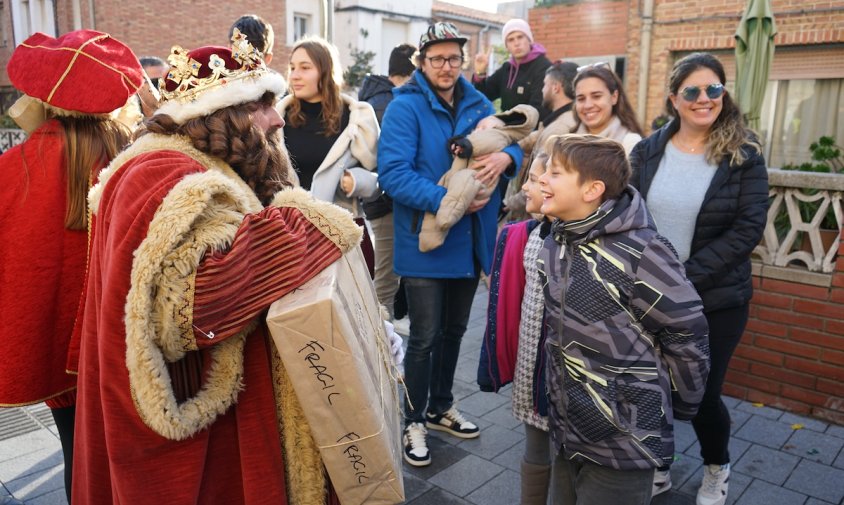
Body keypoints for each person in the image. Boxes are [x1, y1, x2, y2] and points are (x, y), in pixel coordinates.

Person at [71, 36, 395, 504]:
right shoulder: (164, 172)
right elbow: (188, 310)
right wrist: (304, 220)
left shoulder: (195, 160)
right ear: (219, 112)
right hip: (199, 433)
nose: (278, 116)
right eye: (263, 103)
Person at [0, 29, 144, 504]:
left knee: (76, 456)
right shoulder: (130, 162)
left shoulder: (14, 167)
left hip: (53, 352)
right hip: (122, 350)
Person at [378, 21, 523, 467]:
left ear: (463, 61)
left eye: (453, 58)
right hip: (426, 241)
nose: (446, 66)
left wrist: (508, 158)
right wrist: (453, 199)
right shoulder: (405, 108)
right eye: (437, 58)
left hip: (471, 241)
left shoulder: (480, 102)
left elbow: (513, 136)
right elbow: (393, 174)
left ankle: (441, 407)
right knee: (423, 337)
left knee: (455, 331)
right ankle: (413, 418)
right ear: (422, 61)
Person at [538, 134, 710, 505]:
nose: (542, 180)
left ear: (592, 189)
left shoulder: (642, 251)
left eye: (554, 173)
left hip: (624, 438)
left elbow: (686, 331)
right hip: (569, 426)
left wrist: (682, 403)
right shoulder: (555, 243)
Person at [629, 52, 769, 505]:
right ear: (674, 98)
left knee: (702, 396)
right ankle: (661, 465)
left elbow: (747, 229)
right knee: (654, 388)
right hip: (649, 297)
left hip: (716, 299)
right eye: (692, 90)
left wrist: (683, 279)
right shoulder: (647, 150)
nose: (704, 98)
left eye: (713, 89)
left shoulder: (744, 154)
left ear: (723, 94)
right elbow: (626, 213)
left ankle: (717, 467)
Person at [478, 153, 554, 503]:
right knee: (535, 446)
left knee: (566, 457)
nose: (524, 186)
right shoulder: (529, 235)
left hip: (561, 373)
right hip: (531, 364)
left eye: (534, 178)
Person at [278, 36, 380, 277]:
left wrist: (355, 180)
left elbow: (378, 179)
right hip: (290, 235)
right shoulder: (277, 118)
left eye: (305, 68)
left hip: (341, 233)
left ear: (325, 71)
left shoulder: (356, 117)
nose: (294, 75)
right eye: (292, 67)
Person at [418, 103, 538, 252]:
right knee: (446, 185)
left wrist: (465, 143)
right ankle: (429, 237)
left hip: (477, 179)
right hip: (459, 175)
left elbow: (481, 143)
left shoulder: (496, 135)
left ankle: (447, 217)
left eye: (482, 128)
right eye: (477, 128)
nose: (477, 130)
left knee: (461, 185)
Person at [358, 43, 416, 319]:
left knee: (385, 269)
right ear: (410, 72)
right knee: (386, 275)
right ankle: (383, 337)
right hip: (385, 202)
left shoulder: (376, 98)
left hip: (376, 200)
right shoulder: (389, 103)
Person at [503, 60, 579, 222]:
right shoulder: (556, 122)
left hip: (538, 217)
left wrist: (510, 204)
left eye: (544, 85)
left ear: (555, 87)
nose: (541, 90)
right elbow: (532, 138)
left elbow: (542, 178)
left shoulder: (559, 129)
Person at [472, 18, 551, 119]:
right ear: (507, 46)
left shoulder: (543, 67)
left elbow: (537, 110)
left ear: (529, 40)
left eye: (520, 37)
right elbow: (481, 97)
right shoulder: (507, 69)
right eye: (511, 39)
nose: (516, 43)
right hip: (507, 127)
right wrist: (480, 73)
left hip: (533, 130)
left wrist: (501, 121)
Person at [571, 63, 644, 153]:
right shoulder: (566, 143)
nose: (588, 105)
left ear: (614, 97)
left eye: (596, 96)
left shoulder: (630, 144)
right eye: (581, 99)